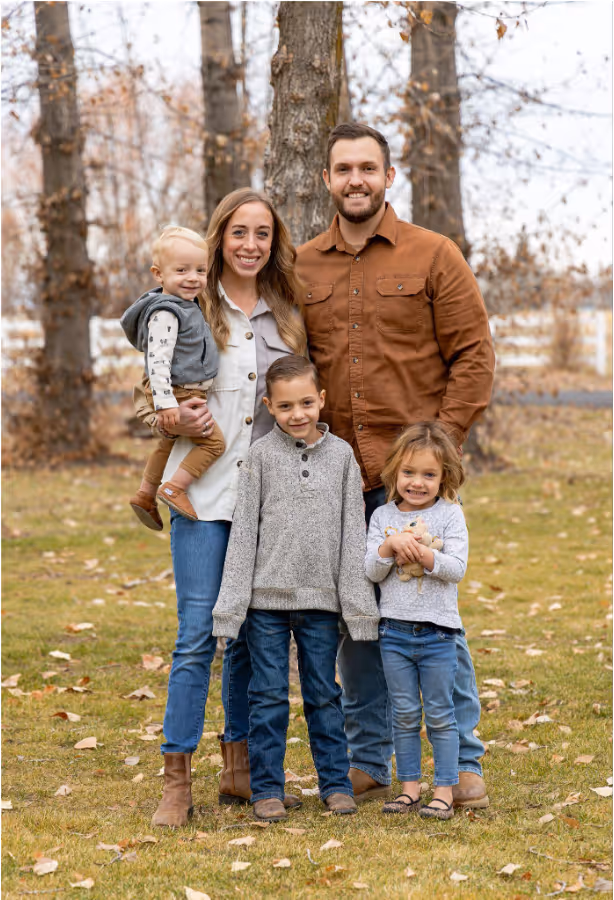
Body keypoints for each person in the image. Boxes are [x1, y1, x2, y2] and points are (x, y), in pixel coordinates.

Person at [295, 122, 495, 809]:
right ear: (327, 179)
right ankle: (368, 759)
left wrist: (435, 454)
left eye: (367, 167)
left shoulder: (433, 254)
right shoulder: (302, 265)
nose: (356, 179)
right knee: (358, 625)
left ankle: (462, 763)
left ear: (388, 175)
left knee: (433, 620)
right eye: (343, 168)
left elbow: (473, 355)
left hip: (414, 485)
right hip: (339, 480)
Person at [142, 189, 308, 827]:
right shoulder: (189, 304)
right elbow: (152, 389)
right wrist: (168, 416)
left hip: (266, 503)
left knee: (247, 637)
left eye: (262, 233)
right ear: (220, 237)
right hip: (204, 497)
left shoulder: (287, 316)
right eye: (239, 231)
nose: (250, 244)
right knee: (196, 636)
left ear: (274, 242)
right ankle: (176, 779)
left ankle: (238, 768)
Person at [212, 355, 379, 822]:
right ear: (269, 406)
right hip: (265, 603)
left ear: (321, 399)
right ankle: (267, 789)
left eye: (306, 402)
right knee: (267, 697)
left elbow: (353, 535)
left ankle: (336, 785)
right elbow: (244, 533)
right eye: (285, 406)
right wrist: (231, 608)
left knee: (323, 694)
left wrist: (358, 608)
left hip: (321, 602)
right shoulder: (260, 456)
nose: (297, 413)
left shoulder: (342, 457)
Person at [366, 422, 468, 820]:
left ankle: (443, 790)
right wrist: (390, 546)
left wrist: (423, 555)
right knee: (404, 713)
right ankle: (409, 789)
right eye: (409, 472)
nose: (417, 482)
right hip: (394, 633)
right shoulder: (382, 516)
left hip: (438, 634)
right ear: (395, 471)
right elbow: (372, 570)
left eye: (429, 474)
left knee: (440, 713)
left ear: (444, 476)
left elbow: (456, 568)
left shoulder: (450, 515)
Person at [121, 226, 225, 528]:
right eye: (181, 270)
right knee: (214, 444)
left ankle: (145, 494)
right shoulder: (166, 313)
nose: (193, 277)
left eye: (200, 270)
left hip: (182, 390)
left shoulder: (186, 306)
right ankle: (174, 488)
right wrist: (166, 403)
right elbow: (158, 361)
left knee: (167, 445)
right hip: (179, 391)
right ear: (158, 274)